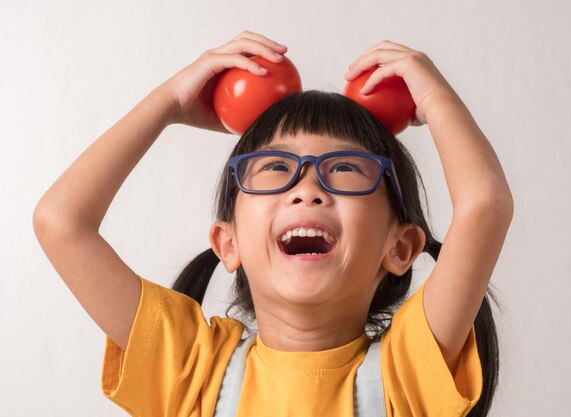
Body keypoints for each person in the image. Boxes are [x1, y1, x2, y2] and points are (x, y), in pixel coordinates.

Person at [33, 31, 514, 417]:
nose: (308, 188)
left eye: (345, 169)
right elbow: (61, 221)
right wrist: (172, 102)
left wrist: (435, 98)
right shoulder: (191, 370)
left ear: (401, 247)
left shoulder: (407, 372)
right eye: (276, 169)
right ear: (228, 241)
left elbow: (484, 205)